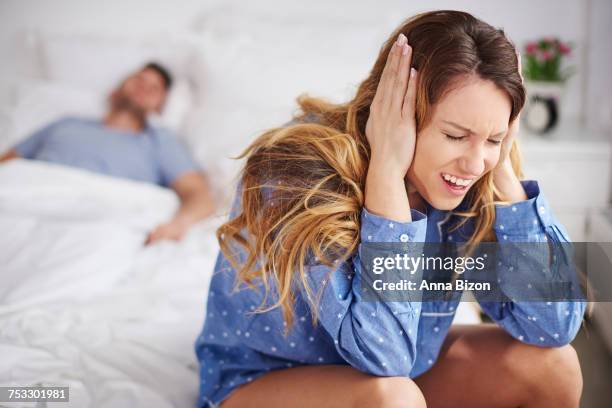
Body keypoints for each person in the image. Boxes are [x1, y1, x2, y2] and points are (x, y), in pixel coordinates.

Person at [195, 10, 585, 408]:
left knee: (557, 365)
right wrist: (385, 173)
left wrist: (502, 170)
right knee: (394, 398)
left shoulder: (472, 179)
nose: (473, 164)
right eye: (455, 135)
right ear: (402, 112)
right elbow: (385, 359)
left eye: (493, 138)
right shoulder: (296, 173)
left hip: (401, 369)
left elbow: (555, 326)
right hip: (271, 380)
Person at [0, 62, 215, 244]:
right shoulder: (66, 124)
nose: (145, 87)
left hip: (95, 226)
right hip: (21, 203)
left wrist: (178, 225)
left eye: (155, 88)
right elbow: (7, 165)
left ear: (159, 107)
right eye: (139, 80)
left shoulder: (160, 141)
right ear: (116, 89)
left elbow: (199, 195)